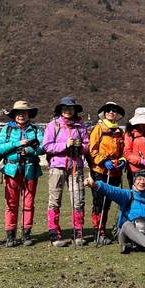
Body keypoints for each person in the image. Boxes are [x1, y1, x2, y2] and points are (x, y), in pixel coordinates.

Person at [84, 171, 145, 257]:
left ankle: (141, 245)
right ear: (134, 181)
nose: (142, 182)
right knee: (126, 224)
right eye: (139, 179)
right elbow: (111, 190)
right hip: (127, 235)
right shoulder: (127, 194)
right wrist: (95, 185)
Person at [0, 100, 44, 247]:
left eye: (24, 113)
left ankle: (26, 234)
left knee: (28, 203)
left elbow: (43, 148)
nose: (21, 115)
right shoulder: (7, 130)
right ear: (14, 115)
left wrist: (29, 150)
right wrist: (17, 144)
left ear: (29, 114)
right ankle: (10, 236)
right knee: (11, 203)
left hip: (30, 169)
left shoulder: (36, 130)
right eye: (18, 113)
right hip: (11, 170)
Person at [42, 96, 90, 247]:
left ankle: (78, 231)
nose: (68, 111)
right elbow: (47, 146)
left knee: (78, 199)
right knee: (55, 200)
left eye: (70, 108)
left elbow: (87, 145)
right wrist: (64, 145)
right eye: (65, 108)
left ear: (75, 110)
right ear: (60, 110)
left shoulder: (80, 126)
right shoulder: (53, 125)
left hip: (76, 166)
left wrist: (79, 147)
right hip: (57, 167)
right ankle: (54, 234)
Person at [87, 101, 127, 245]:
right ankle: (98, 232)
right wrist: (103, 161)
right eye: (109, 110)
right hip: (100, 170)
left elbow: (123, 151)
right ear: (104, 113)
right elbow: (92, 150)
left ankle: (109, 229)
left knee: (108, 202)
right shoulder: (98, 129)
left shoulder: (119, 132)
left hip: (115, 171)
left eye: (114, 111)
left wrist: (123, 160)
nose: (111, 112)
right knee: (99, 202)